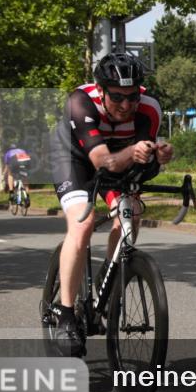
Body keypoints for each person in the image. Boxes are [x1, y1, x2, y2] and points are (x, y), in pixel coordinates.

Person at [49, 52, 172, 355]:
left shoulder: (149, 109)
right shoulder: (81, 102)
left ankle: (109, 271)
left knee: (130, 214)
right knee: (83, 223)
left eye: (132, 97)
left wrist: (158, 157)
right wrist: (135, 152)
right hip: (75, 159)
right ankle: (66, 314)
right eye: (117, 97)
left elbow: (139, 159)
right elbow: (102, 161)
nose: (126, 105)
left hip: (119, 156)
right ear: (101, 90)